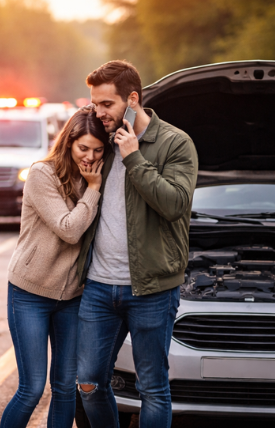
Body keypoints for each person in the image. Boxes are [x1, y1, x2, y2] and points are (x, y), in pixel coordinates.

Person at [75, 60, 198, 428]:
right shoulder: (103, 139)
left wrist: (134, 157)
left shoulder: (176, 143)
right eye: (94, 104)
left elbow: (174, 204)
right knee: (88, 382)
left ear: (132, 99)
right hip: (98, 286)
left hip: (152, 289)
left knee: (152, 389)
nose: (99, 113)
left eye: (106, 105)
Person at [0, 106, 108, 428]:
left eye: (98, 150)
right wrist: (93, 190)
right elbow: (69, 229)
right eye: (83, 148)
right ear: (69, 142)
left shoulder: (96, 177)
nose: (89, 156)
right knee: (31, 388)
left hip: (73, 297)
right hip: (30, 292)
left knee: (64, 388)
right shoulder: (42, 174)